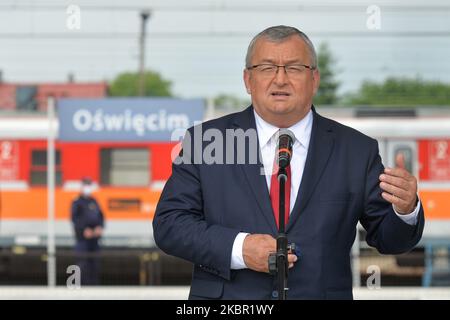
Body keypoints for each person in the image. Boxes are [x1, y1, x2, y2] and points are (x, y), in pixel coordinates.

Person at [153, 25, 424, 299]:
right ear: (248, 80)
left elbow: (390, 240)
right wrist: (240, 249)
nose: (280, 80)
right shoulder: (207, 141)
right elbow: (170, 224)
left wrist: (406, 210)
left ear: (314, 79)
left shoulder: (356, 150)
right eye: (267, 67)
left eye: (294, 68)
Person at [71, 177, 105, 285]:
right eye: (86, 185)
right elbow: (75, 219)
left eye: (89, 185)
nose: (87, 188)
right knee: (82, 265)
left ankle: (94, 288)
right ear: (81, 187)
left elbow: (101, 216)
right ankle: (81, 289)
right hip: (82, 240)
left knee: (95, 265)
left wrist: (100, 227)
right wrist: (84, 230)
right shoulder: (77, 202)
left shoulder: (94, 201)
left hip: (94, 240)